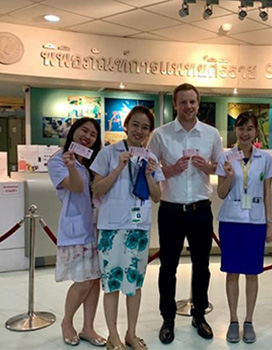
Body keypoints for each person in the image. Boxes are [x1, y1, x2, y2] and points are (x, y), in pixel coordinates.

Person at [147, 83, 223, 344]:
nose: (188, 107)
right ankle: (167, 318)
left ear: (198, 104)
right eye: (183, 102)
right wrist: (169, 170)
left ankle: (199, 314)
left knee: (202, 266)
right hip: (171, 209)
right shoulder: (160, 134)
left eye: (192, 102)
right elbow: (149, 170)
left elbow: (221, 167)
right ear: (175, 105)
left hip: (200, 209)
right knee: (168, 267)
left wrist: (208, 166)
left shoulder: (211, 134)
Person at [90, 106, 163, 350]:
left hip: (138, 229)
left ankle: (131, 333)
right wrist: (119, 167)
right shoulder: (108, 153)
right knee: (111, 285)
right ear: (126, 126)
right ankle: (113, 336)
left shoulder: (150, 157)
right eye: (135, 125)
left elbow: (156, 196)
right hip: (111, 228)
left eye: (145, 127)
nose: (139, 131)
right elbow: (97, 189)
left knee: (134, 284)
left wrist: (151, 175)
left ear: (149, 132)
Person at [215, 112, 272, 344]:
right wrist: (229, 177)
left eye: (249, 128)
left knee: (252, 273)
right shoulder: (226, 157)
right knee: (232, 272)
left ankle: (249, 320)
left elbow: (267, 192)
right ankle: (233, 320)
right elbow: (221, 193)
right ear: (236, 131)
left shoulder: (265, 159)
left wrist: (269, 223)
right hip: (231, 220)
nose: (245, 133)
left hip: (255, 221)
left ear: (256, 132)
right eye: (241, 128)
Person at [46, 117, 107, 347]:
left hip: (97, 226)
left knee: (94, 281)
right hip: (76, 228)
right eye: (84, 130)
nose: (87, 137)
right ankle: (67, 322)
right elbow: (76, 187)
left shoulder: (93, 160)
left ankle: (88, 328)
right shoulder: (58, 160)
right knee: (82, 281)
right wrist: (71, 166)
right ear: (73, 131)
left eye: (92, 134)